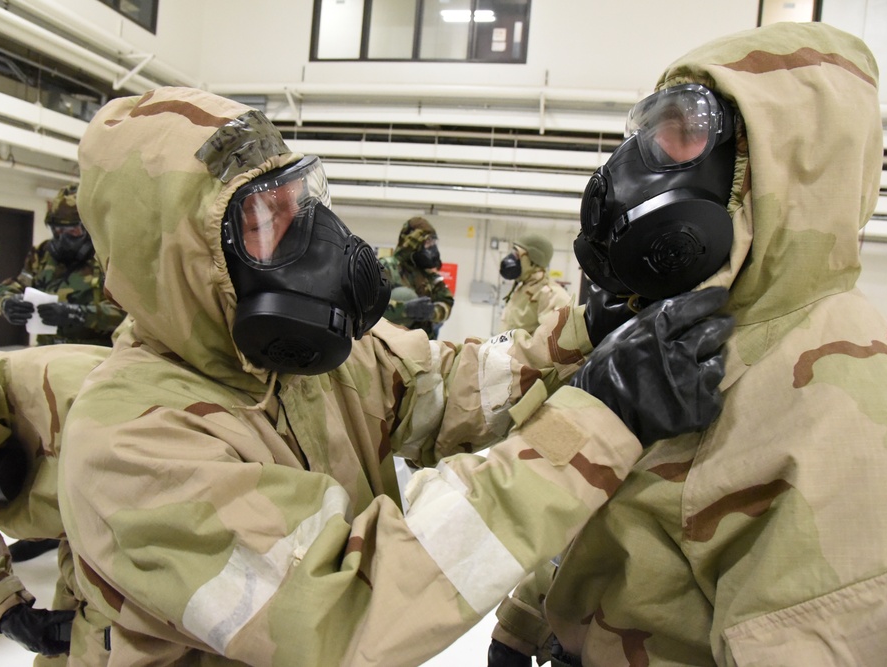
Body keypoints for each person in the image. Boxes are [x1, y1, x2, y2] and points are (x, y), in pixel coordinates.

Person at [55, 86, 731, 666]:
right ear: (178, 261)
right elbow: (348, 600)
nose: (311, 237)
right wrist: (597, 420)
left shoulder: (304, 365)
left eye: (297, 199)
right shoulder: (129, 444)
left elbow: (445, 385)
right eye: (265, 221)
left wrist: (585, 328)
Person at [488, 22, 887, 666]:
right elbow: (603, 514)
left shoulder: (852, 402)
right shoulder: (678, 339)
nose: (640, 167)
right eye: (650, 134)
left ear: (782, 161)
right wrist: (526, 617)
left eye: (683, 133)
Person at [0, 344, 112, 666]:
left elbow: (160, 541)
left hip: (153, 543)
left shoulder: (85, 401)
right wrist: (8, 612)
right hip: (90, 543)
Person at [0, 183, 127, 347]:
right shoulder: (42, 253)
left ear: (90, 228)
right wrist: (7, 302)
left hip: (93, 354)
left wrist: (76, 314)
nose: (63, 239)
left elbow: (126, 314)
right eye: (58, 230)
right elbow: (15, 285)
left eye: (73, 231)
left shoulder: (110, 257)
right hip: (47, 351)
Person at [379, 216, 454, 339]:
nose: (432, 248)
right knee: (404, 294)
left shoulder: (429, 275)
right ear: (413, 243)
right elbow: (371, 304)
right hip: (390, 342)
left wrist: (431, 311)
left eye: (434, 243)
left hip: (423, 345)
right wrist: (404, 309)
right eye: (428, 243)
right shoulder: (387, 267)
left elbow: (446, 302)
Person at [499, 233, 574, 334]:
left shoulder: (552, 295)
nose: (511, 259)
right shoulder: (524, 288)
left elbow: (550, 342)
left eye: (517, 254)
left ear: (533, 259)